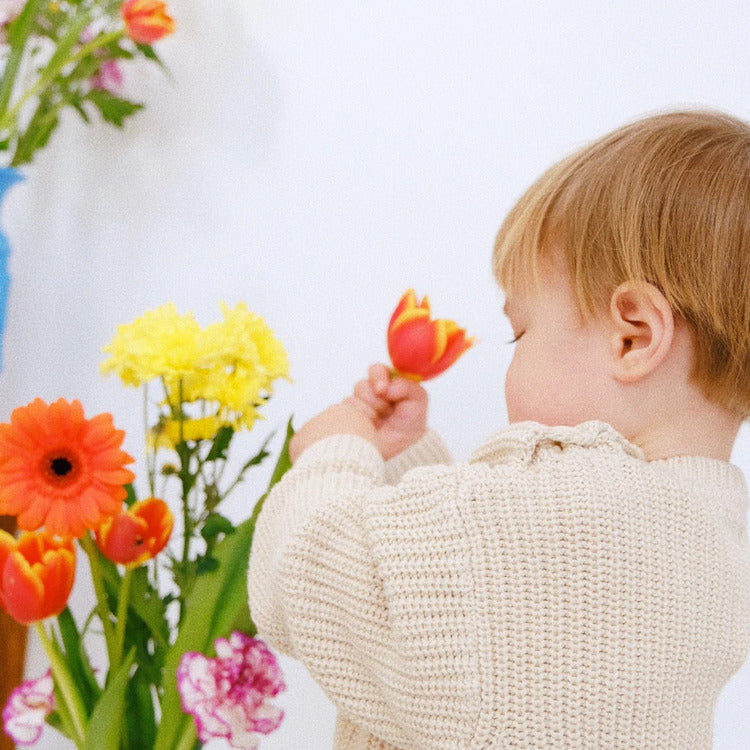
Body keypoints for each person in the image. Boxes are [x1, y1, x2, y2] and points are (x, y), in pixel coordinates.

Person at [247, 110, 750, 749]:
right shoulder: (708, 540)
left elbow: (316, 576)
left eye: (522, 330)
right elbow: (487, 643)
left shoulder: (560, 518)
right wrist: (412, 457)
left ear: (633, 336)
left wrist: (333, 456)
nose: (511, 355)